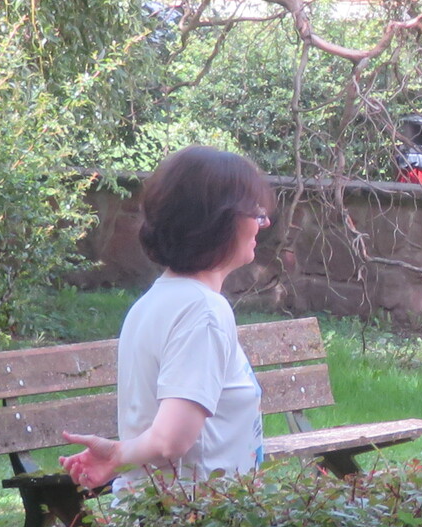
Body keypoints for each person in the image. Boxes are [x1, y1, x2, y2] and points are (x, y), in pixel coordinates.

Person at [60, 146, 273, 492]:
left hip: (152, 513)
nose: (264, 223)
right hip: (191, 520)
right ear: (221, 221)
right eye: (256, 212)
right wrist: (116, 456)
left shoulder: (153, 302)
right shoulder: (203, 311)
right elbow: (169, 440)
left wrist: (119, 457)